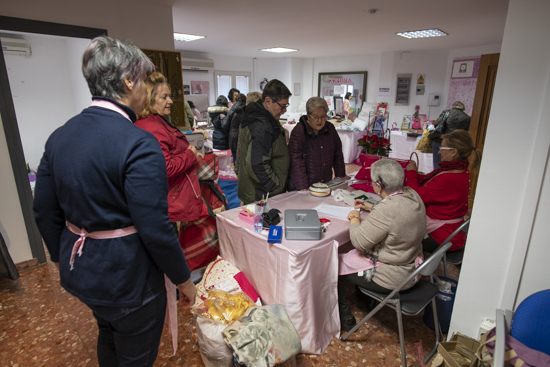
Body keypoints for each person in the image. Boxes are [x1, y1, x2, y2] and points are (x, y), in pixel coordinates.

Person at [33, 36, 196, 365]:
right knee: (134, 350)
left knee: (108, 332)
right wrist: (184, 280)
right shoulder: (138, 142)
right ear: (127, 81)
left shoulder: (60, 135)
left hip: (83, 271)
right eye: (143, 80)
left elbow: (43, 212)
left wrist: (65, 257)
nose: (145, 90)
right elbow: (155, 228)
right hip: (128, 280)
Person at [339, 159, 426, 331]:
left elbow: (358, 242)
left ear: (378, 185)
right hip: (411, 266)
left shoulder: (388, 209)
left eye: (372, 182)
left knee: (333, 262)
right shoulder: (413, 195)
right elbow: (396, 212)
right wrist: (372, 206)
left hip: (393, 276)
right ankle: (364, 297)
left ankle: (345, 316)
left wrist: (354, 217)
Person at [135, 72, 203, 226]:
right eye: (164, 97)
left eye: (169, 96)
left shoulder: (154, 121)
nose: (170, 101)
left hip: (168, 200)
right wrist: (190, 154)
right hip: (170, 203)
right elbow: (166, 168)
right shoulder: (152, 127)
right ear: (149, 99)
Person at [406, 130, 481, 253]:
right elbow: (429, 182)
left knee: (395, 234)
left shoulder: (448, 178)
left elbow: (414, 196)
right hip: (449, 231)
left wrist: (411, 173)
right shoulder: (459, 170)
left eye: (442, 148)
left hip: (441, 236)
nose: (439, 151)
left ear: (453, 152)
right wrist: (413, 175)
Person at [237, 79, 292, 204]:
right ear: (268, 101)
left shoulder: (265, 116)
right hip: (261, 195)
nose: (285, 110)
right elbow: (256, 165)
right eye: (282, 106)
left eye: (286, 106)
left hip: (260, 192)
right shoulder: (261, 126)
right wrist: (275, 186)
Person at [288, 97, 346, 190]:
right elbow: (296, 161)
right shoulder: (299, 131)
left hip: (325, 183)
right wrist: (303, 187)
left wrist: (340, 177)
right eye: (315, 117)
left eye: (323, 116)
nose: (319, 121)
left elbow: (337, 153)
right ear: (308, 115)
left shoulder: (330, 128)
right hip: (304, 185)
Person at [431, 101, 471, 169]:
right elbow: (465, 132)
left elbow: (436, 124)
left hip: (441, 140)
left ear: (453, 106)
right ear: (463, 108)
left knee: (437, 161)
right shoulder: (467, 117)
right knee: (452, 163)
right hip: (456, 144)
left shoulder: (446, 113)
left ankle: (437, 175)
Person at [227, 93, 247, 161]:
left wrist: (223, 119)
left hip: (233, 135)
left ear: (235, 100)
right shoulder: (247, 110)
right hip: (244, 135)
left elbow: (225, 125)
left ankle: (236, 170)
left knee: (235, 156)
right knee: (244, 156)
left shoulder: (231, 111)